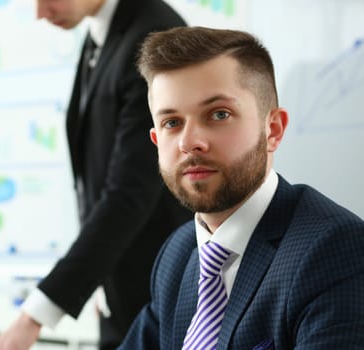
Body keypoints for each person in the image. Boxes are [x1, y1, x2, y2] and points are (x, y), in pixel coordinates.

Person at [116, 26, 364, 349]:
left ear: (273, 130)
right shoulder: (176, 255)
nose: (190, 142)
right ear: (156, 140)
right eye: (172, 123)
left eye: (219, 114)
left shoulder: (334, 250)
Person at [0, 1, 191, 349]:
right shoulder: (103, 30)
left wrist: (34, 315)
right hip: (121, 291)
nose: (39, 12)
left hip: (158, 295)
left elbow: (129, 193)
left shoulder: (153, 35)